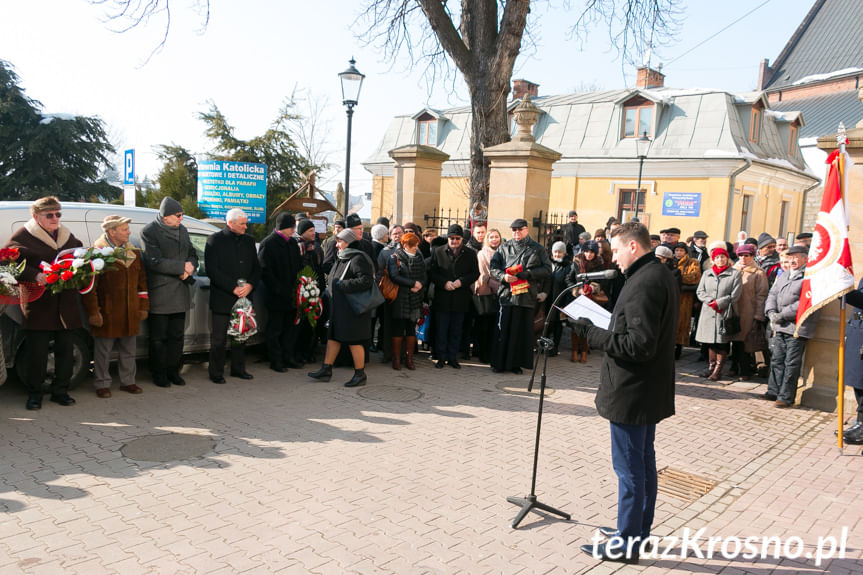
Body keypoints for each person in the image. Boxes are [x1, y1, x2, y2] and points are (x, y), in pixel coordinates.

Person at [571, 221, 678, 564]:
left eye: (615, 250)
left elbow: (638, 345)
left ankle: (626, 543)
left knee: (630, 470)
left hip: (633, 391)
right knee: (643, 465)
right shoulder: (656, 274)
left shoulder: (647, 282)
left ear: (633, 246)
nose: (612, 257)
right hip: (645, 390)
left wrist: (592, 333)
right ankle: (634, 533)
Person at [4, 196, 84, 410]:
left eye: (58, 214)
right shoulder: (23, 235)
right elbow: (7, 265)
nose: (55, 218)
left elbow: (79, 254)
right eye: (50, 215)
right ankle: (35, 395)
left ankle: (61, 391)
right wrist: (34, 275)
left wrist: (82, 265)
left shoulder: (66, 235)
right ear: (36, 216)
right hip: (38, 304)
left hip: (65, 305)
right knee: (37, 354)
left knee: (66, 351)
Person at [82, 215, 149, 398]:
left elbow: (142, 282)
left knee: (129, 349)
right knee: (103, 352)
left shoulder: (133, 253)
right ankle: (102, 383)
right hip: (108, 311)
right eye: (124, 229)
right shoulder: (97, 253)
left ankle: (128, 381)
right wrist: (93, 312)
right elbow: (89, 287)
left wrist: (143, 305)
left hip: (130, 311)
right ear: (112, 231)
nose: (129, 232)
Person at [141, 196, 198, 388]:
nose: (181, 219)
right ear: (166, 217)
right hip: (160, 293)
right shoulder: (149, 232)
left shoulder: (182, 230)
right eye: (178, 215)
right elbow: (153, 261)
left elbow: (192, 253)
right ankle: (159, 373)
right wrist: (182, 268)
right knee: (158, 338)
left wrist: (190, 267)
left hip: (180, 291)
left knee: (177, 336)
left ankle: (174, 370)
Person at [308, 229, 374, 387]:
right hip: (339, 308)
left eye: (339, 241)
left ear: (349, 242)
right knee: (333, 337)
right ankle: (326, 369)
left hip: (352, 309)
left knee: (354, 341)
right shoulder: (343, 257)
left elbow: (366, 281)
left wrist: (342, 284)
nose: (336, 245)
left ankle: (360, 374)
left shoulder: (357, 258)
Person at [205, 208, 262, 383]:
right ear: (230, 223)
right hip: (223, 297)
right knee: (219, 338)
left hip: (244, 297)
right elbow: (212, 270)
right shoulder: (214, 240)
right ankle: (216, 372)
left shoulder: (249, 241)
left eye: (246, 223)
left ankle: (238, 369)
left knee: (240, 335)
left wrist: (251, 285)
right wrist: (233, 288)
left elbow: (256, 268)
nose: (246, 227)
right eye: (242, 224)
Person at [489, 219, 551, 374]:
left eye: (519, 230)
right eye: (514, 230)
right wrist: (503, 276)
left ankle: (516, 364)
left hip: (526, 296)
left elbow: (548, 270)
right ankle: (499, 363)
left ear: (526, 230)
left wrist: (529, 274)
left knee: (521, 331)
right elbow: (493, 268)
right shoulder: (504, 247)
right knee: (503, 330)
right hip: (507, 295)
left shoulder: (537, 249)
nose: (516, 233)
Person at [762, 245, 819, 407]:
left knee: (791, 363)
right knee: (777, 359)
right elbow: (772, 294)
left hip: (797, 327)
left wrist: (782, 314)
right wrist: (771, 311)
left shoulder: (809, 277)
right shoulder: (785, 274)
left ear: (804, 258)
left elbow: (804, 302)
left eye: (796, 257)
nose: (792, 261)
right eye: (790, 257)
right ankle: (773, 391)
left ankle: (786, 396)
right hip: (779, 325)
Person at [429, 224, 479, 369]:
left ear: (461, 239)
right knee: (441, 329)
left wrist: (461, 282)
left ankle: (452, 358)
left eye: (457, 238)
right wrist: (444, 283)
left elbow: (475, 273)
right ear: (447, 238)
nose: (454, 241)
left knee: (456, 330)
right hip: (443, 297)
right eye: (451, 238)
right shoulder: (438, 251)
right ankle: (440, 357)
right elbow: (432, 272)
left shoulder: (470, 253)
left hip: (460, 298)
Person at [257, 213, 303, 373]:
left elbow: (298, 266)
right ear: (286, 228)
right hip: (276, 295)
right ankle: (275, 360)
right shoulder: (268, 244)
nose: (293, 231)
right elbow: (264, 269)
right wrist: (277, 288)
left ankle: (288, 356)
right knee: (275, 329)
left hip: (292, 294)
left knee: (290, 328)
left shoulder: (292, 244)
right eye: (292, 228)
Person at [695, 241, 742, 381]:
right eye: (717, 257)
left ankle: (718, 370)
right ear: (713, 260)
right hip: (708, 312)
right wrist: (710, 301)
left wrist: (719, 302)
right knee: (710, 342)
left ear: (727, 258)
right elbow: (700, 291)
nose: (720, 260)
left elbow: (735, 294)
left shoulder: (734, 274)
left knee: (722, 342)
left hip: (725, 312)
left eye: (723, 257)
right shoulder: (707, 273)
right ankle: (710, 366)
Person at [386, 231, 426, 370]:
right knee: (397, 329)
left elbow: (423, 275)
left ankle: (409, 358)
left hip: (415, 299)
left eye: (416, 245)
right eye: (412, 245)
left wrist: (419, 284)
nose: (415, 247)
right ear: (404, 245)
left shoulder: (419, 258)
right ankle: (396, 359)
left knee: (411, 329)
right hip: (400, 299)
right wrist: (413, 284)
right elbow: (394, 276)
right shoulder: (394, 257)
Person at [729, 243, 768, 380]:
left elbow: (761, 295)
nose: (743, 258)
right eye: (740, 255)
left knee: (745, 342)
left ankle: (745, 370)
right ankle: (733, 366)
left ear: (752, 256)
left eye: (747, 255)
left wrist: (758, 314)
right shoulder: (733, 269)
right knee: (733, 340)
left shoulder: (758, 273)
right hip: (734, 310)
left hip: (748, 311)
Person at [567, 240, 606, 363]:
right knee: (575, 326)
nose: (589, 254)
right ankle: (574, 352)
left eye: (591, 252)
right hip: (578, 298)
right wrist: (577, 290)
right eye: (587, 251)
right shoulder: (576, 262)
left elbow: (603, 282)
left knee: (587, 326)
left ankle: (584, 352)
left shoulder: (600, 264)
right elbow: (568, 279)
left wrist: (592, 288)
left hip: (591, 299)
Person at [296, 218, 325, 363]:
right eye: (310, 231)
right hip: (301, 291)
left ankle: (309, 351)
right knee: (301, 324)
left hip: (315, 291)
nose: (314, 233)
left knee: (312, 323)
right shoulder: (298, 247)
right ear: (302, 232)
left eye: (314, 230)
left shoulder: (316, 248)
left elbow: (319, 269)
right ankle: (299, 352)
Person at [473, 228, 502, 364]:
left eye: (496, 237)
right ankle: (483, 354)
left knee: (495, 326)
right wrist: (499, 286)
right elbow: (484, 274)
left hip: (501, 294)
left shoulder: (503, 252)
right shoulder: (482, 253)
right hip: (486, 292)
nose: (494, 239)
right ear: (487, 239)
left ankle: (493, 353)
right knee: (484, 325)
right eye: (491, 237)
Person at [674, 242, 701, 359]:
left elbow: (694, 277)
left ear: (685, 252)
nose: (678, 253)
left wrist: (676, 277)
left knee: (682, 324)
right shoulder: (671, 261)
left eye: (681, 250)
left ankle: (678, 350)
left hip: (685, 299)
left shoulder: (692, 262)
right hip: (672, 296)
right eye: (676, 250)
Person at [546, 241, 572, 357]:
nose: (557, 254)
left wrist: (565, 304)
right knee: (547, 324)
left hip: (560, 301)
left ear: (564, 253)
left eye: (559, 252)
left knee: (557, 325)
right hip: (547, 300)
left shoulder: (568, 267)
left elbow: (568, 285)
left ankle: (554, 347)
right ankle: (545, 345)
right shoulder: (548, 264)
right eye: (555, 252)